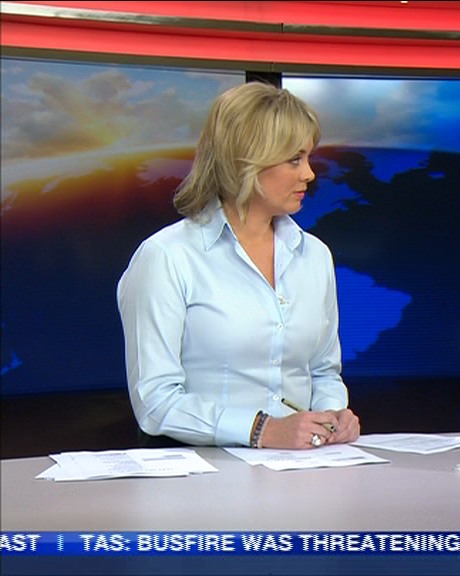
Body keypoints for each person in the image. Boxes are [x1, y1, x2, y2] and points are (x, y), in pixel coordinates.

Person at [117, 81, 359, 449]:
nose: (309, 174)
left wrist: (333, 417)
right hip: (204, 471)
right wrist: (261, 430)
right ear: (246, 162)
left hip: (305, 466)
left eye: (309, 157)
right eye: (294, 159)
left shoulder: (315, 256)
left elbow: (324, 372)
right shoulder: (167, 257)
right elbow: (155, 402)